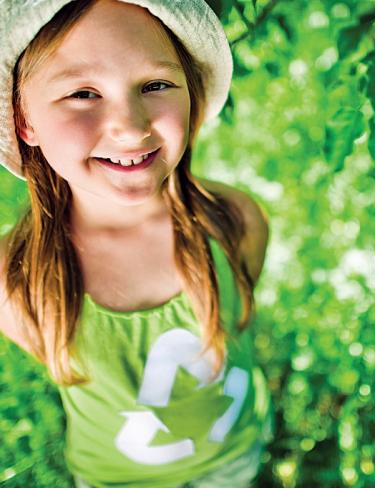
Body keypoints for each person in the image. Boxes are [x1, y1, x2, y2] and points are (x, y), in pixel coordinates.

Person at [0, 0, 275, 486]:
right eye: (83, 93)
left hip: (233, 456)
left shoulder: (236, 222)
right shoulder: (14, 277)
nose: (129, 127)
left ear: (191, 96)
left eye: (155, 85)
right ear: (25, 121)